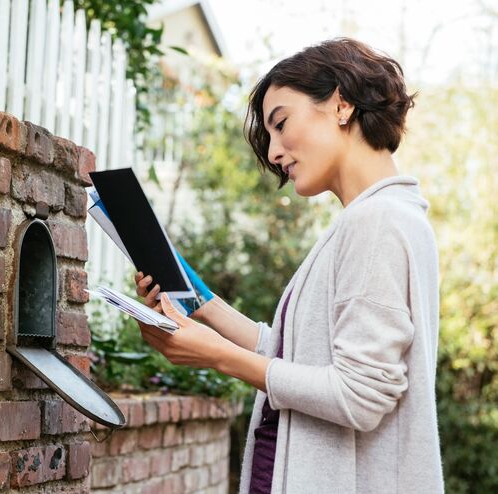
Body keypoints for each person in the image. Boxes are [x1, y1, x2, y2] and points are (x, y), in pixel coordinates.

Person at [132, 37, 444, 493]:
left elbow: (360, 395)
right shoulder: (371, 218)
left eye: (281, 124)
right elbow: (296, 356)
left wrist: (216, 356)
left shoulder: (378, 221)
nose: (275, 153)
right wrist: (203, 305)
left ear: (341, 104)